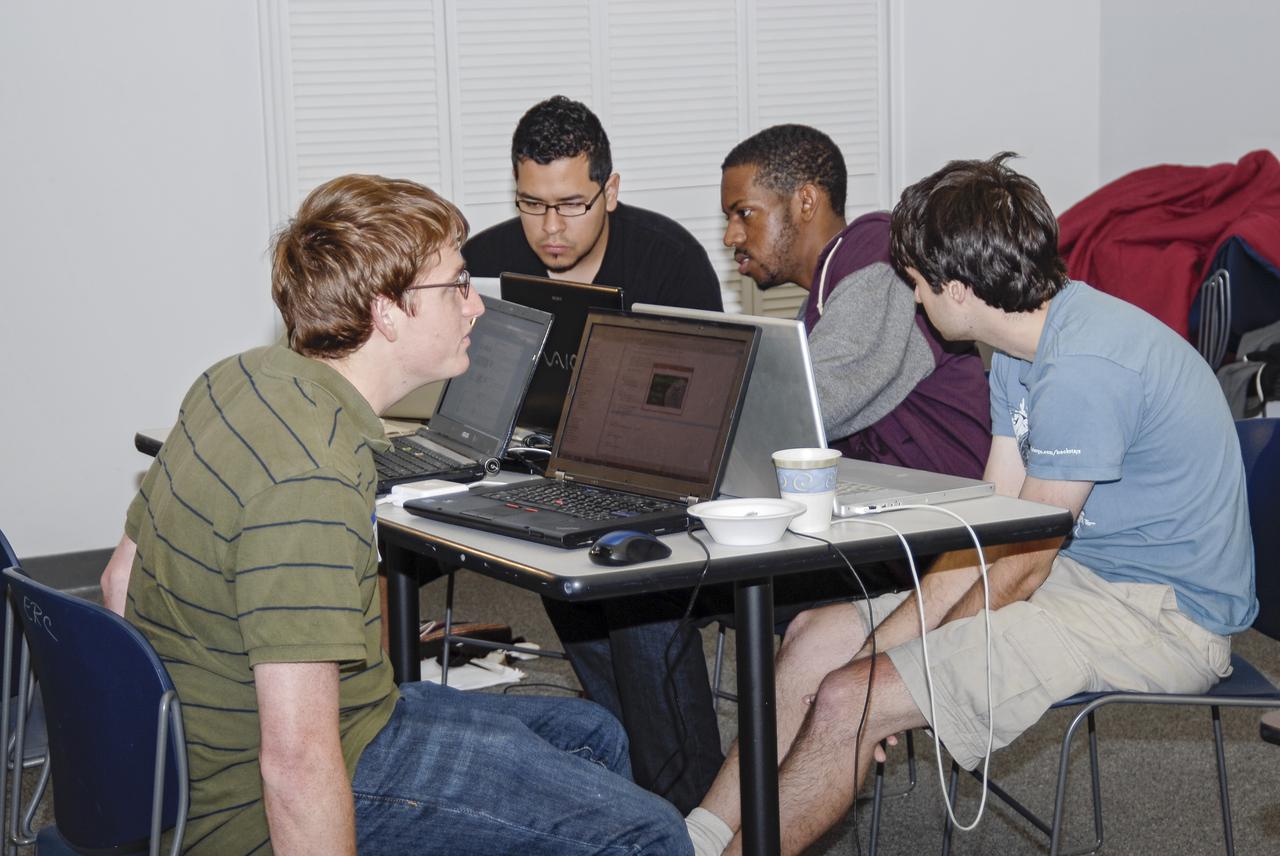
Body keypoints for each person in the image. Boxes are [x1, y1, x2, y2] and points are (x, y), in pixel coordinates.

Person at [684, 153, 1258, 856]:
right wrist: (871, 653)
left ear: (960, 289)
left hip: (1160, 614)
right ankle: (694, 840)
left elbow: (1021, 564)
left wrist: (881, 672)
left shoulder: (1085, 370)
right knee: (814, 641)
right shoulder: (1019, 348)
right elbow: (988, 528)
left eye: (919, 286)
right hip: (1078, 574)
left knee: (847, 698)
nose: (915, 302)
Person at [99, 174, 691, 855]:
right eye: (458, 285)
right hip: (268, 798)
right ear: (386, 311)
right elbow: (295, 763)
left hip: (301, 730)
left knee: (595, 737)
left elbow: (119, 582)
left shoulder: (238, 376)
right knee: (652, 832)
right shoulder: (310, 474)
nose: (476, 307)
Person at [720, 123, 990, 476]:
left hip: (945, 517)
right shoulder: (823, 297)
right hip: (884, 508)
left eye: (745, 213)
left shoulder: (882, 258)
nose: (730, 236)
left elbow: (803, 411)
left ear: (806, 201)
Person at [463, 95, 723, 311]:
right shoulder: (480, 265)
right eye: (533, 204)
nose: (551, 226)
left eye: (572, 205)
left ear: (610, 193)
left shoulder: (672, 262)